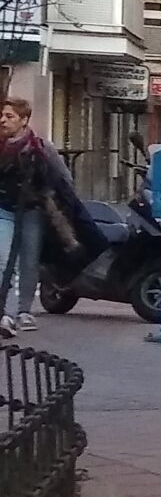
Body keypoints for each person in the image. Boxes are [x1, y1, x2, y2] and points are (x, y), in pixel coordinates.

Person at [0, 100, 54, 337]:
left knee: (29, 262)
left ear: (24, 120)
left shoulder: (40, 148)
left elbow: (62, 180)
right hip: (4, 209)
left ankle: (23, 311)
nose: (3, 120)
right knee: (4, 262)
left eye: (10, 116)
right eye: (2, 115)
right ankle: (6, 313)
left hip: (31, 212)